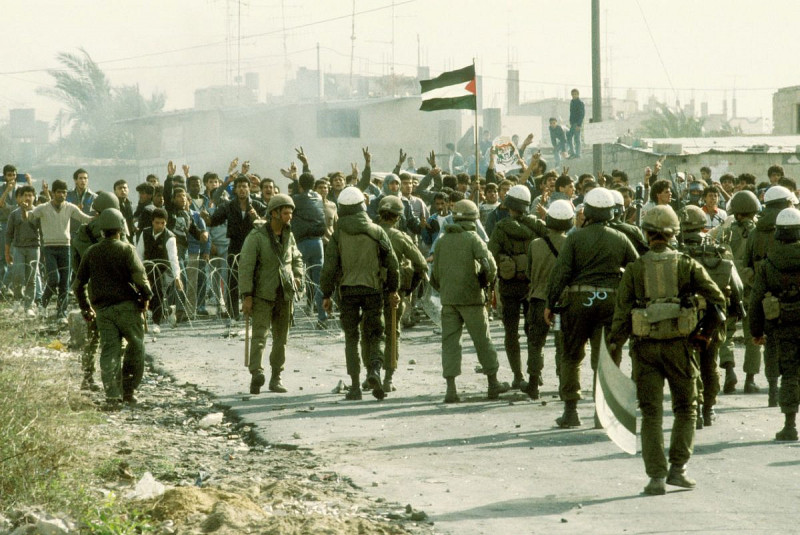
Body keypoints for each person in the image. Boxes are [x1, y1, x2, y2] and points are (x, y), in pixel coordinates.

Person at [609, 205, 725, 495]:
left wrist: (613, 348)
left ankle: (656, 477)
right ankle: (679, 469)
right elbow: (718, 300)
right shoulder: (687, 264)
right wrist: (703, 334)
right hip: (681, 348)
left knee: (651, 414)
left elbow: (621, 316)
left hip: (644, 349)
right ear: (674, 233)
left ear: (646, 234)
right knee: (686, 408)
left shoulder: (634, 268)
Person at [544, 188, 638, 428]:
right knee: (606, 359)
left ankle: (571, 411)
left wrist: (550, 303)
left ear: (587, 211)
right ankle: (601, 415)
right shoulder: (620, 238)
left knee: (571, 355)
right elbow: (636, 269)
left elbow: (561, 273)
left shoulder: (575, 237)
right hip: (610, 303)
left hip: (578, 302)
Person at [320, 186, 400, 401]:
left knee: (351, 338)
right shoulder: (377, 231)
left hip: (347, 292)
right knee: (375, 334)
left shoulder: (338, 235)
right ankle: (374, 370)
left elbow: (329, 268)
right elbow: (392, 265)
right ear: (362, 207)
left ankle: (355, 387)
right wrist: (393, 289)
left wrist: (326, 294)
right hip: (373, 290)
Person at [431, 199, 511, 403]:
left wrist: (446, 289)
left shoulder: (441, 241)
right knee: (482, 340)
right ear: (474, 218)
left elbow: (435, 275)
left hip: (449, 300)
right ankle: (493, 383)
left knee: (450, 343)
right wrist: (484, 283)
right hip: (472, 298)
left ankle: (451, 389)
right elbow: (490, 267)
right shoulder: (474, 239)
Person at [73, 208, 152, 411]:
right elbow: (140, 278)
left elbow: (78, 285)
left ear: (101, 231)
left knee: (109, 351)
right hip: (127, 309)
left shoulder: (91, 252)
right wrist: (146, 297)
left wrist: (86, 308)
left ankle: (112, 396)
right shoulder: (127, 249)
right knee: (136, 347)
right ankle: (129, 391)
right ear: (120, 229)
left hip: (103, 312)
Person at [679, 205, 743, 428]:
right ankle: (708, 409)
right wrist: (734, 310)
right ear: (703, 225)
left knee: (688, 365)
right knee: (710, 363)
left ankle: (693, 409)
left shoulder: (673, 252)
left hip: (682, 317)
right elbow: (737, 288)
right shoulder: (718, 251)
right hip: (713, 318)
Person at [238, 194, 304, 395]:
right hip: (262, 295)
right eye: (285, 213)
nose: (289, 216)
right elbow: (246, 267)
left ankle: (276, 377)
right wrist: (247, 295)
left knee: (281, 339)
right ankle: (256, 374)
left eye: (291, 212)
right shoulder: (256, 237)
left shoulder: (289, 235)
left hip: (284, 294)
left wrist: (298, 276)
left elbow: (296, 257)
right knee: (259, 336)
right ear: (274, 213)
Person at [489, 185, 547, 390]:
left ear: (509, 205)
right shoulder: (538, 226)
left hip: (509, 286)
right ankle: (535, 373)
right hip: (533, 286)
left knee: (511, 333)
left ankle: (517, 375)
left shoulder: (500, 227)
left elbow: (491, 255)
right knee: (535, 330)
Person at [749, 207, 800, 441]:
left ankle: (790, 425)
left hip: (783, 327)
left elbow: (756, 300)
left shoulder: (768, 263)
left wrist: (756, 332)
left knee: (789, 373)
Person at [745, 185, 798, 407]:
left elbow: (747, 264)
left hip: (768, 301)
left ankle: (773, 390)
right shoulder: (794, 225)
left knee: (771, 346)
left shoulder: (755, 232)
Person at [372, 196, 427, 392]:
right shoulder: (400, 237)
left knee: (370, 334)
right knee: (392, 333)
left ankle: (372, 372)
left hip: (369, 290)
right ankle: (388, 379)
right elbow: (421, 263)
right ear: (397, 217)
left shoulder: (369, 233)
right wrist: (410, 288)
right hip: (394, 292)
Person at [712, 190, 763, 394]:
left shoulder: (723, 231)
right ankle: (750, 379)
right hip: (753, 290)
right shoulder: (761, 232)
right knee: (754, 335)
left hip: (730, 289)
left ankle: (729, 370)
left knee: (727, 332)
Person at [525, 200, 574, 398]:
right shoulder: (572, 244)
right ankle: (564, 384)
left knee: (536, 343)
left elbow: (529, 273)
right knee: (563, 345)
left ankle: (533, 384)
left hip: (538, 300)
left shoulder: (535, 244)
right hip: (563, 302)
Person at [30, 179, 93, 324]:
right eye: (59, 192)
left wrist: (98, 216)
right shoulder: (44, 208)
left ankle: (61, 312)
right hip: (50, 248)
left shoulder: (70, 207)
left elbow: (85, 218)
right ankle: (42, 304)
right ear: (53, 193)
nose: (62, 195)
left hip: (65, 247)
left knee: (65, 282)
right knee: (53, 279)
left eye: (64, 192)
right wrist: (24, 208)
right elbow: (30, 216)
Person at [207, 174, 267, 323]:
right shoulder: (228, 206)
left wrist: (257, 218)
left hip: (253, 247)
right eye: (239, 186)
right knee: (233, 281)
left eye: (244, 186)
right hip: (234, 246)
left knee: (255, 280)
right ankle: (234, 315)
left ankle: (254, 313)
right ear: (235, 190)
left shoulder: (257, 205)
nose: (242, 189)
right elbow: (214, 220)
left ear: (249, 189)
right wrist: (206, 217)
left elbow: (268, 222)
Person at [291, 172, 328, 328]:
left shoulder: (295, 200)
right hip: (317, 243)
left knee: (293, 278)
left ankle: (290, 316)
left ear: (299, 185)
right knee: (318, 281)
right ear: (314, 186)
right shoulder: (318, 198)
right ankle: (322, 318)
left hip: (300, 243)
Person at [136, 208, 182, 333]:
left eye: (163, 223)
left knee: (157, 291)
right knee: (144, 292)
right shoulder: (145, 233)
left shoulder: (170, 237)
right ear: (152, 222)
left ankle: (157, 323)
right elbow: (139, 254)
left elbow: (173, 258)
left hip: (164, 269)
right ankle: (166, 310)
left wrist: (177, 276)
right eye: (157, 223)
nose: (160, 226)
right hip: (148, 267)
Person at [5, 185, 40, 316]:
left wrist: (27, 213)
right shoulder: (14, 214)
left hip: (34, 248)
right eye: (25, 195)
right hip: (18, 248)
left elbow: (38, 228)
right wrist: (7, 253)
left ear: (34, 197)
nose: (28, 198)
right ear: (21, 198)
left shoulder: (38, 213)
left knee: (31, 278)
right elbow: (8, 234)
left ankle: (29, 306)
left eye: (30, 195)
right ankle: (17, 300)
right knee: (17, 276)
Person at [566, 89, 585, 159]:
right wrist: (570, 121)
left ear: (578, 94)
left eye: (575, 94)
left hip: (577, 123)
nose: (573, 96)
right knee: (569, 137)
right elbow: (571, 113)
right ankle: (572, 152)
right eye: (572, 94)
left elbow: (582, 114)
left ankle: (578, 154)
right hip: (572, 123)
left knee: (577, 139)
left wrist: (579, 125)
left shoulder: (580, 103)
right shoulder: (572, 102)